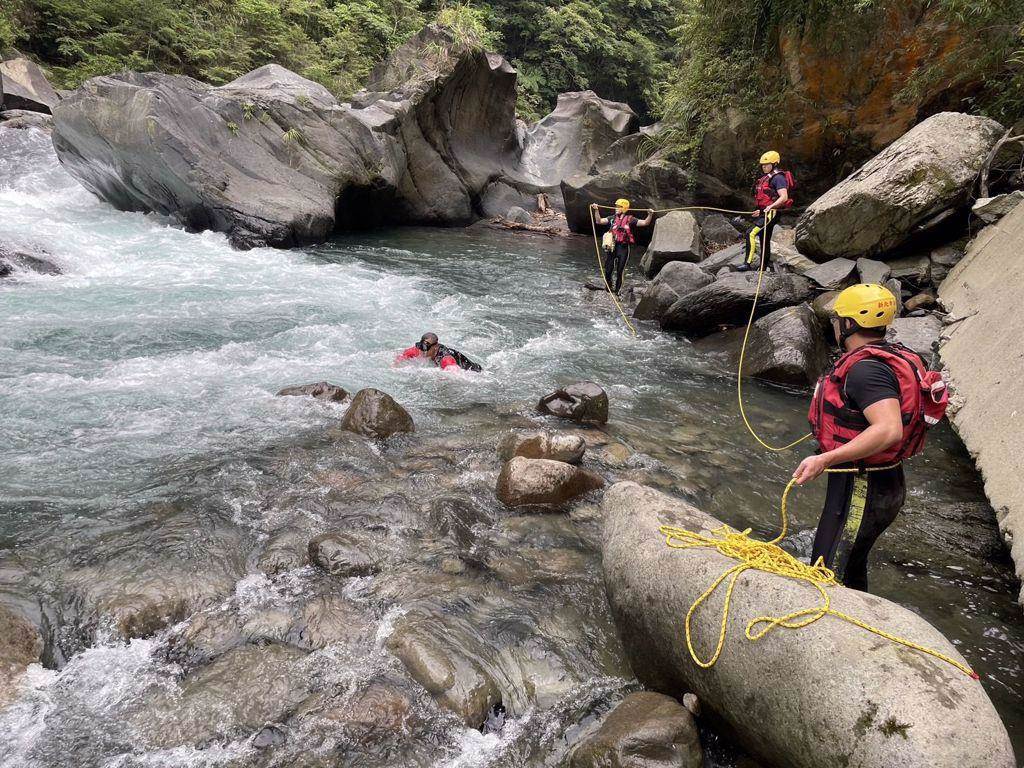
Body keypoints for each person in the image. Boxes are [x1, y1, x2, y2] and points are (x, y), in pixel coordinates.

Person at [792, 283, 946, 592]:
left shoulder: (866, 371)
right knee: (846, 568)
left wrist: (824, 458)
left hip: (863, 487)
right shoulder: (890, 356)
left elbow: (889, 429)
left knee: (827, 573)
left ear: (849, 324)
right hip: (878, 483)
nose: (835, 325)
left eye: (838, 320)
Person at [737, 150, 791, 272]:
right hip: (766, 212)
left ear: (774, 164)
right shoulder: (765, 178)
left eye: (766, 165)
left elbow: (784, 197)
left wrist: (771, 207)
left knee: (751, 233)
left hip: (772, 213)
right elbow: (765, 200)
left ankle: (748, 264)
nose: (764, 167)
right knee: (764, 240)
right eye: (762, 165)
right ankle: (763, 268)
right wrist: (759, 211)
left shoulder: (778, 178)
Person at [590, 199, 654, 294]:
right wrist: (596, 210)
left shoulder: (630, 219)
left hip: (623, 248)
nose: (616, 208)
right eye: (616, 206)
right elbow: (599, 221)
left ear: (624, 208)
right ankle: (609, 286)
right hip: (612, 248)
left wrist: (650, 215)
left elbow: (645, 223)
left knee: (620, 271)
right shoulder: (612, 218)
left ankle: (617, 291)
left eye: (618, 206)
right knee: (608, 270)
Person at [396, 332, 482, 372]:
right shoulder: (418, 349)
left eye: (426, 350)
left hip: (474, 370)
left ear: (435, 347)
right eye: (421, 348)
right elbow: (401, 357)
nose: (422, 352)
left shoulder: (445, 358)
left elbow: (457, 375)